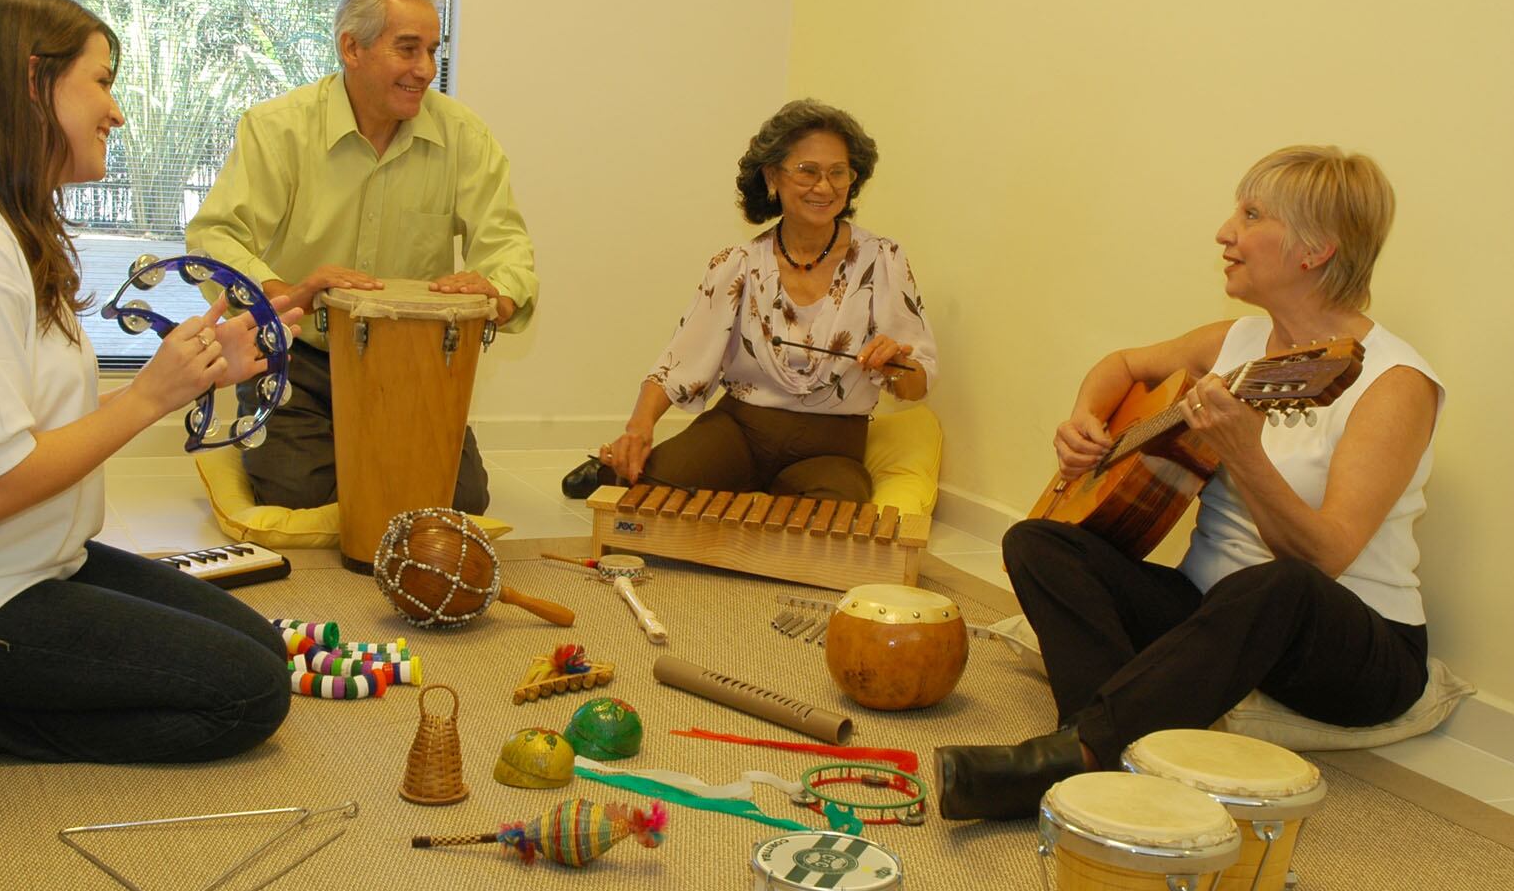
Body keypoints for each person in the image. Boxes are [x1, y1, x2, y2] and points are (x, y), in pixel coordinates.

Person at [0, 0, 302, 763]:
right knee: (249, 696)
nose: (115, 110)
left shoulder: (5, 230)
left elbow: (31, 432)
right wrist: (154, 395)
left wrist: (195, 372)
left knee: (259, 646)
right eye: (102, 80)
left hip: (36, 564)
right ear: (31, 83)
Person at [934, 145, 1440, 820]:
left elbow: (1325, 558)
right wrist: (1086, 417)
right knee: (1037, 542)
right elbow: (1122, 366)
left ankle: (1067, 758)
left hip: (1351, 645)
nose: (1225, 232)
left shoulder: (1394, 383)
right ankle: (1109, 744)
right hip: (1211, 613)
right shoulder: (1234, 340)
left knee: (1280, 585)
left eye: (1252, 214)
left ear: (1315, 250)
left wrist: (1246, 452)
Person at [186, 0, 537, 516]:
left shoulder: (463, 136)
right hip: (299, 358)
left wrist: (495, 290)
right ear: (352, 47)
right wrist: (291, 292)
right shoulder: (277, 128)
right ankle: (293, 454)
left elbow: (507, 244)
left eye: (432, 50)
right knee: (298, 491)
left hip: (411, 362)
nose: (425, 69)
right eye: (407, 49)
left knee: (461, 501)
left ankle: (356, 464)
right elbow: (213, 240)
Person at [564, 99, 935, 503]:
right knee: (656, 492)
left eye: (837, 173)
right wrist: (638, 429)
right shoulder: (738, 264)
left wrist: (896, 362)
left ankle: (766, 496)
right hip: (739, 432)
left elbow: (916, 386)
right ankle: (609, 469)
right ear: (772, 176)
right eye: (808, 171)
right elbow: (677, 364)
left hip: (831, 445)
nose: (824, 187)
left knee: (833, 518)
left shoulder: (883, 259)